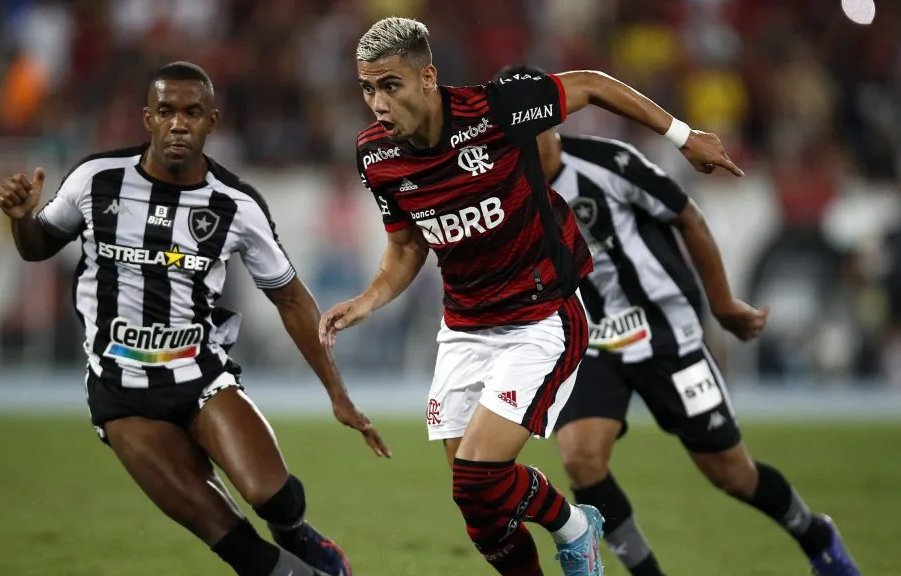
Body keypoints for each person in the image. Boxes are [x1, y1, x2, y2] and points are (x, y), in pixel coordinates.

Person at [318, 17, 742, 576]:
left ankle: (573, 525)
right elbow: (405, 249)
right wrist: (366, 301)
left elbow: (591, 83)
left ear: (427, 78)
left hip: (541, 317)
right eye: (367, 88)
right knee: (478, 508)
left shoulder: (496, 110)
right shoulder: (376, 155)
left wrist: (685, 138)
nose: (376, 102)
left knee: (479, 475)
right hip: (465, 327)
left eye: (389, 85)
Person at [0, 61, 390, 576]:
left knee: (275, 498)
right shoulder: (95, 180)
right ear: (148, 119)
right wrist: (24, 219)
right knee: (237, 546)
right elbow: (37, 248)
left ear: (212, 121)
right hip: (122, 393)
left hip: (200, 376)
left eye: (191, 112)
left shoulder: (236, 204)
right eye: (166, 112)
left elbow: (291, 300)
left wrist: (338, 394)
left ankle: (296, 531)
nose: (178, 123)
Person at [493, 63, 862, 576]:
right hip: (591, 343)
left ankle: (814, 532)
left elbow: (686, 215)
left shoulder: (610, 163)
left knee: (732, 474)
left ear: (550, 120)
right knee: (580, 458)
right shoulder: (507, 196)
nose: (515, 145)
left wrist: (723, 302)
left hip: (667, 333)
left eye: (524, 130)